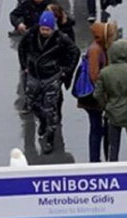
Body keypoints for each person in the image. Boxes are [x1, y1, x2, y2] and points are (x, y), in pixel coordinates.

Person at [17, 10, 80, 154]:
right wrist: (24, 66)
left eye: (47, 29)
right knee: (32, 104)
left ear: (53, 28)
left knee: (51, 109)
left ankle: (50, 138)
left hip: (51, 77)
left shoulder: (60, 39)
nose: (44, 31)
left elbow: (74, 52)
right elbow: (22, 47)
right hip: (33, 76)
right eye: (42, 28)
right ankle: (43, 121)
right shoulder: (32, 34)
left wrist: (66, 71)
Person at [95, 39, 127, 161]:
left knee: (114, 146)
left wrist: (105, 106)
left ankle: (113, 169)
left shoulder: (104, 72)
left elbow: (97, 94)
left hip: (113, 110)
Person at [77, 20, 119, 162]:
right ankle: (95, 159)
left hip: (99, 95)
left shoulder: (101, 47)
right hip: (94, 97)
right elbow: (94, 75)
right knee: (97, 128)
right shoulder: (96, 50)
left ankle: (101, 158)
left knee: (101, 127)